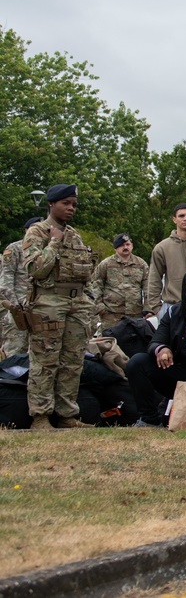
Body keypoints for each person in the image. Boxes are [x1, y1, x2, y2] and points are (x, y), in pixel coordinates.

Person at [21, 184, 95, 429]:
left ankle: (66, 415)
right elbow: (36, 269)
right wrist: (53, 243)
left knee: (72, 361)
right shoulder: (37, 232)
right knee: (45, 360)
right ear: (51, 204)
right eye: (66, 203)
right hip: (48, 303)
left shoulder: (75, 234)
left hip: (76, 303)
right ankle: (40, 416)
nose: (71, 208)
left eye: (74, 204)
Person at [126, 269, 186, 427]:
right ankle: (149, 419)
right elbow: (155, 341)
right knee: (138, 362)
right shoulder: (174, 313)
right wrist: (162, 350)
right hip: (181, 372)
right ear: (185, 291)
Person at [88, 233, 149, 329]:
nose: (125, 247)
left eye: (127, 244)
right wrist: (99, 307)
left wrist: (148, 308)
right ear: (115, 248)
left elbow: (148, 287)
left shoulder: (141, 264)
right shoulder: (106, 264)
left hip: (135, 315)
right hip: (111, 316)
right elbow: (96, 285)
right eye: (121, 245)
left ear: (132, 246)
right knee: (109, 342)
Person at [0, 217, 42, 356]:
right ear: (26, 230)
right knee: (15, 348)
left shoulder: (45, 250)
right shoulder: (15, 249)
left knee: (36, 351)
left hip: (38, 307)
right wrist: (14, 305)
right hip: (18, 307)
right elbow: (6, 278)